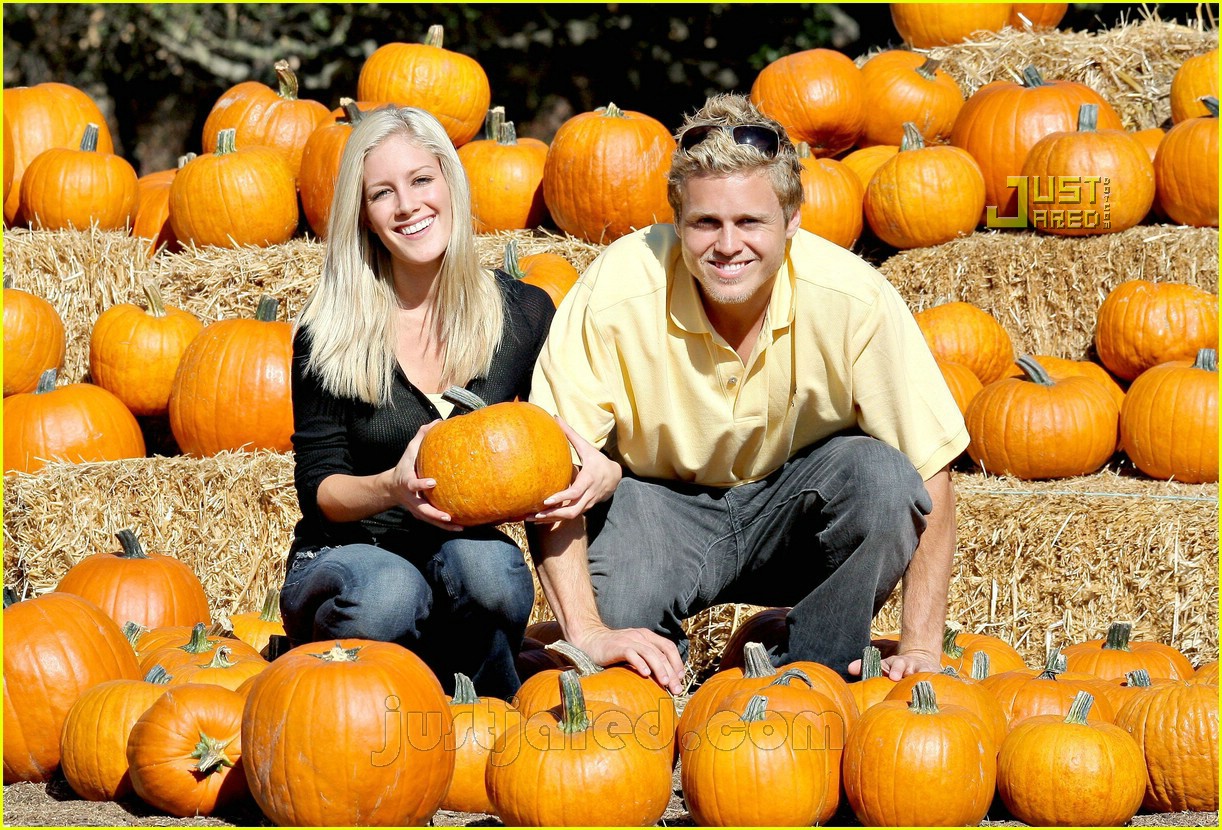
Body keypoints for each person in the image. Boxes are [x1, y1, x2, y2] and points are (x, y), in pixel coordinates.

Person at [526, 93, 968, 693]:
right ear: (677, 223)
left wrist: (921, 644)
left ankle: (808, 661)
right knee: (619, 637)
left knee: (884, 480)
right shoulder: (617, 289)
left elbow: (932, 463)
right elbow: (551, 468)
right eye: (706, 223)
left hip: (794, 505)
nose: (727, 245)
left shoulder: (851, 297)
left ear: (791, 221)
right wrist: (585, 631)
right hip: (658, 510)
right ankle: (663, 677)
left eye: (750, 222)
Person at [282, 106, 555, 699]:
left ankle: (482, 714)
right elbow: (318, 487)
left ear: (449, 181)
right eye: (383, 193)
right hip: (347, 553)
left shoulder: (523, 314)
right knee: (388, 593)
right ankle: (352, 703)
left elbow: (551, 453)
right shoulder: (329, 332)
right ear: (365, 216)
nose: (407, 206)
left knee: (491, 572)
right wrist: (392, 489)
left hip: (455, 554)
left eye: (421, 181)